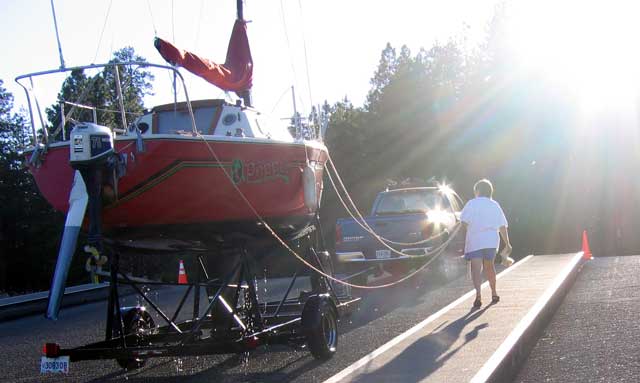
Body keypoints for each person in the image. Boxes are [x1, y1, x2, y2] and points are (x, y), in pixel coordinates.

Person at [460, 179, 512, 308]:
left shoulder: (471, 204)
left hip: (475, 240)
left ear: (477, 191)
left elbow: (464, 222)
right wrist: (507, 243)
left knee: (476, 269)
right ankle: (494, 292)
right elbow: (502, 226)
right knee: (489, 267)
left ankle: (478, 295)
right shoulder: (494, 205)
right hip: (491, 241)